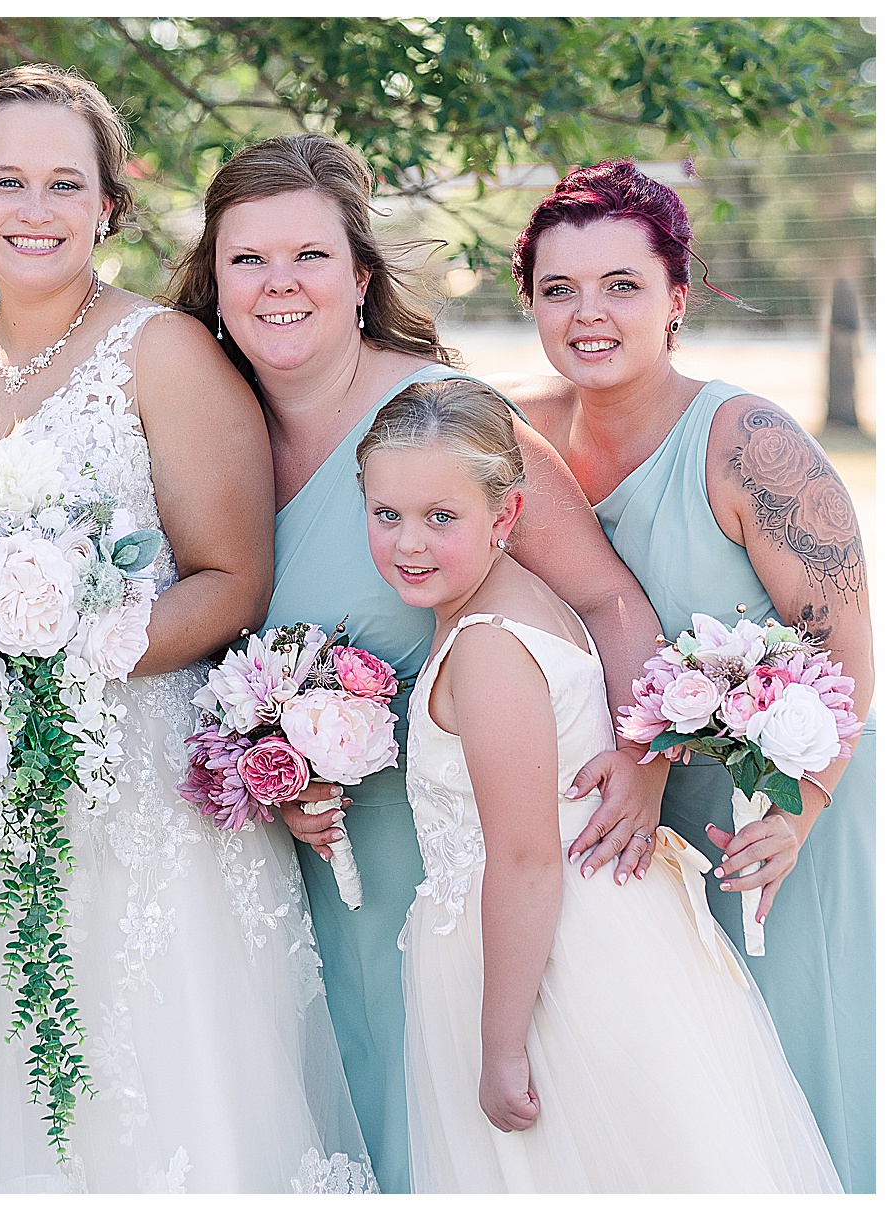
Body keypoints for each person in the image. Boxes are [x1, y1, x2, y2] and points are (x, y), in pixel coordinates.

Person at [0, 65, 372, 1194]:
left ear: (109, 205)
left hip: (129, 793)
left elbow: (231, 580)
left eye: (66, 183)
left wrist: (55, 656)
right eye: (8, 181)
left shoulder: (166, 352)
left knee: (145, 1099)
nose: (36, 208)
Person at [166, 133, 670, 1192]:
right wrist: (273, 776)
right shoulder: (204, 431)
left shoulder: (444, 420)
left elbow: (608, 596)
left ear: (359, 277)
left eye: (309, 255)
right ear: (215, 281)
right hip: (304, 881)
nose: (278, 284)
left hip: (472, 870)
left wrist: (642, 758)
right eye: (247, 258)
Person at [359, 376, 840, 1193]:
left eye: (443, 517)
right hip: (599, 931)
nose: (410, 543)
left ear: (506, 517)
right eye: (387, 514)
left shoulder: (486, 650)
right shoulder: (531, 601)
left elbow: (523, 859)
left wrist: (502, 1044)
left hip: (551, 969)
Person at [500, 159, 875, 1192]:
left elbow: (846, 649)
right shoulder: (518, 434)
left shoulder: (748, 442)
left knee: (789, 1074)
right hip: (626, 837)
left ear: (677, 297)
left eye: (623, 284)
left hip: (773, 807)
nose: (590, 314)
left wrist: (798, 813)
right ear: (527, 299)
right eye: (560, 289)